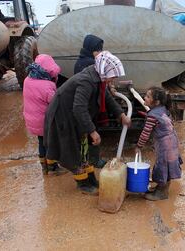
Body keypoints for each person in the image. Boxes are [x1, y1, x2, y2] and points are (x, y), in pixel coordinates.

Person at [44, 51, 131, 195]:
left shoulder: (97, 77)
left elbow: (106, 97)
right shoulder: (87, 81)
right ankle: (83, 183)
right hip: (64, 115)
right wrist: (92, 130)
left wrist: (120, 114)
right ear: (105, 71)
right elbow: (78, 108)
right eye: (113, 76)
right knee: (73, 149)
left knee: (85, 146)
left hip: (74, 114)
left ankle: (90, 179)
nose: (113, 80)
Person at [135, 87, 182, 201]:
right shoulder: (163, 109)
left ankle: (162, 193)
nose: (144, 98)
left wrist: (138, 146)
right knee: (168, 165)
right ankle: (160, 189)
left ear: (156, 102)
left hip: (165, 144)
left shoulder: (152, 116)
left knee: (163, 166)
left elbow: (145, 133)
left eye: (147, 97)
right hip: (172, 140)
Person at [23, 54, 66, 175]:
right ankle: (53, 168)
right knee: (50, 143)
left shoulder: (28, 80)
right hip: (45, 122)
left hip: (32, 119)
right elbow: (55, 104)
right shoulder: (47, 86)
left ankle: (44, 166)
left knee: (41, 142)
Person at [74, 34, 108, 169]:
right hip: (86, 106)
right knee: (89, 134)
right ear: (90, 49)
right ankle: (88, 164)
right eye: (98, 50)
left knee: (90, 134)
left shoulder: (81, 60)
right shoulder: (89, 65)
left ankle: (90, 161)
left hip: (89, 105)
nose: (100, 53)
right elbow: (79, 105)